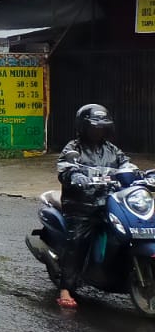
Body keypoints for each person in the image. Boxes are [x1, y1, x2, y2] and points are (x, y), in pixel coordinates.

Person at [54, 103, 134, 309]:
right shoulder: (73, 148)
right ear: (83, 127)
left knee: (131, 229)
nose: (98, 131)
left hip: (109, 201)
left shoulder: (112, 149)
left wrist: (134, 173)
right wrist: (75, 175)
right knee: (77, 241)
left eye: (102, 127)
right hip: (81, 205)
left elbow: (126, 164)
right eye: (94, 127)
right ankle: (65, 288)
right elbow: (65, 168)